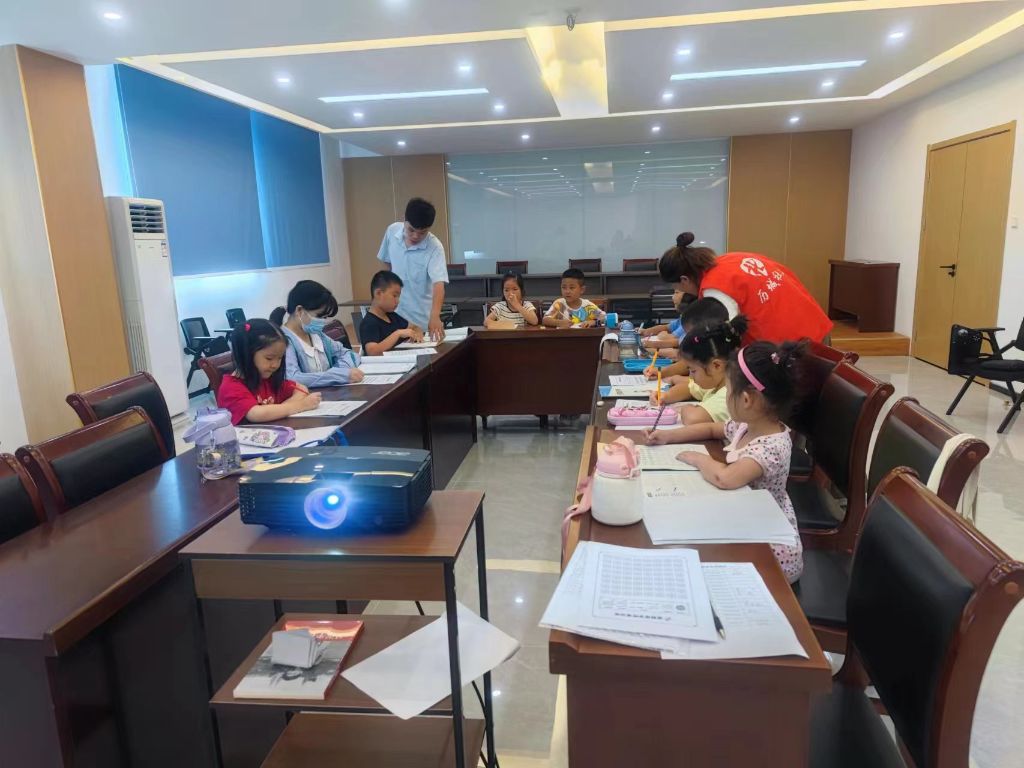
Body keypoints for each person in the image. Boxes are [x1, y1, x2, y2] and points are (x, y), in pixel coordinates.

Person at [645, 340, 805, 583]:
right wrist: (668, 436)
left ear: (746, 400)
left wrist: (697, 458)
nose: (726, 397)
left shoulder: (771, 446)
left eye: (728, 392)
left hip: (770, 550)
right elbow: (711, 429)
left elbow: (725, 478)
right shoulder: (747, 426)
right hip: (742, 518)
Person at [657, 232, 832, 344]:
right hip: (814, 323)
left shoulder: (716, 289)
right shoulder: (730, 259)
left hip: (798, 344)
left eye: (678, 288)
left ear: (684, 279)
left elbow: (726, 343)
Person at [217, 319, 322, 425]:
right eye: (269, 358)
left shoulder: (267, 379)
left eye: (280, 358)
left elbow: (301, 389)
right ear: (246, 355)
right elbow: (256, 414)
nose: (275, 365)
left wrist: (280, 409)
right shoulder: (231, 387)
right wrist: (301, 405)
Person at [648, 317, 747, 425]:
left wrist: (685, 408)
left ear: (716, 366)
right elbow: (689, 388)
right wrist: (666, 396)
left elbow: (694, 419)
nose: (690, 376)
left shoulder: (730, 393)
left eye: (693, 371)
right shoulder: (717, 382)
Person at [377, 197, 448, 341]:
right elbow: (386, 262)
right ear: (404, 219)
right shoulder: (392, 231)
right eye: (411, 230)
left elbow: (439, 285)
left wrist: (435, 316)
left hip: (420, 319)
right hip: (394, 315)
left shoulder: (435, 247)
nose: (415, 236)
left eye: (422, 233)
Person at [270, 280, 363, 389]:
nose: (323, 321)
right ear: (299, 310)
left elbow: (349, 354)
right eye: (319, 316)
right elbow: (293, 378)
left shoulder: (318, 335)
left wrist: (341, 370)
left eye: (325, 317)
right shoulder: (284, 341)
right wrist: (337, 376)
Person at [644, 297, 730, 380]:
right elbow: (689, 364)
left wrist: (672, 378)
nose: (688, 341)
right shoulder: (710, 354)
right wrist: (662, 372)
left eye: (692, 337)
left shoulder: (726, 366)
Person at [359, 270, 425, 355]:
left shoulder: (392, 316)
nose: (398, 301)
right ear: (378, 293)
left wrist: (417, 333)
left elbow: (414, 327)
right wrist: (397, 334)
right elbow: (372, 351)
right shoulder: (369, 323)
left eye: (398, 297)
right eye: (394, 296)